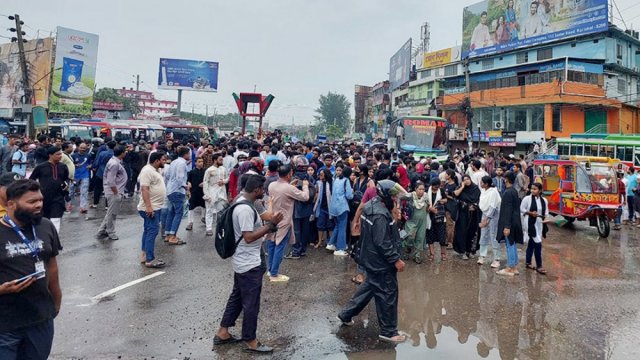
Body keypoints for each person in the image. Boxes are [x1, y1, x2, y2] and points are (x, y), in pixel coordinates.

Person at [215, 175, 284, 354]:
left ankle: (223, 332)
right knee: (251, 303)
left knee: (237, 297)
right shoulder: (245, 209)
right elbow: (248, 237)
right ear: (257, 190)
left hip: (242, 261)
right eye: (263, 190)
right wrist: (271, 225)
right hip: (248, 263)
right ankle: (250, 340)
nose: (264, 193)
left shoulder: (240, 200)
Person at [337, 180, 406, 344]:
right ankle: (388, 331)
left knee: (370, 287)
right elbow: (382, 242)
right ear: (386, 197)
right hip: (381, 262)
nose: (396, 199)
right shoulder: (380, 214)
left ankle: (346, 314)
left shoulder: (370, 206)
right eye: (394, 197)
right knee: (388, 293)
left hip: (370, 258)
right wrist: (395, 260)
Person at [0, 180, 62, 360]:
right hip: (5, 324)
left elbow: (51, 264)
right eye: (31, 202)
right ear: (11, 204)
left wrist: (56, 298)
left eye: (40, 200)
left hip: (40, 318)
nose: (39, 205)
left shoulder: (45, 226)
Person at [266, 163, 309, 282]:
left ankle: (270, 270)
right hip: (284, 220)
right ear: (289, 174)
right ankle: (274, 274)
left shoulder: (272, 184)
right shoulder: (289, 188)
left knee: (272, 244)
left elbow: (282, 191)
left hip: (273, 218)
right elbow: (305, 197)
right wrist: (305, 186)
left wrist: (290, 186)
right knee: (280, 246)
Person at [138, 151, 167, 268]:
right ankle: (150, 259)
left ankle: (144, 255)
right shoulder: (147, 171)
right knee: (153, 231)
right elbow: (144, 189)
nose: (165, 162)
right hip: (150, 208)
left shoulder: (154, 170)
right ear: (156, 161)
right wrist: (149, 207)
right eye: (163, 160)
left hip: (156, 206)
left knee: (148, 230)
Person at [29, 147, 69, 233]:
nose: (60, 156)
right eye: (58, 154)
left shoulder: (63, 167)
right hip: (43, 197)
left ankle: (55, 239)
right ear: (50, 155)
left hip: (58, 197)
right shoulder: (41, 167)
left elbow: (66, 179)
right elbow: (31, 180)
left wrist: (66, 186)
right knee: (44, 219)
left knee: (56, 219)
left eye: (61, 154)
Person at [96, 145, 128, 241]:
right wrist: (116, 193)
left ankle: (101, 231)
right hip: (114, 192)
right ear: (122, 153)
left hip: (116, 191)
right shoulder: (114, 163)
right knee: (112, 213)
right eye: (125, 151)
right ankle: (111, 232)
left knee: (111, 212)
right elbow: (110, 180)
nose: (126, 153)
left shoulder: (116, 162)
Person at [496, 171, 523, 276]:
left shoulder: (507, 193)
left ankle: (511, 267)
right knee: (512, 243)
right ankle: (514, 266)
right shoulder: (514, 191)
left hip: (509, 223)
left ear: (506, 179)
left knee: (509, 244)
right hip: (515, 221)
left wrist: (507, 226)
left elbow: (508, 210)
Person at [163, 146, 190, 245]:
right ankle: (173, 236)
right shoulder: (182, 163)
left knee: (172, 212)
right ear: (186, 154)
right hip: (177, 190)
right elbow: (180, 178)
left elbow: (167, 175)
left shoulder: (174, 162)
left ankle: (168, 234)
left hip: (170, 189)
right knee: (178, 213)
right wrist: (185, 186)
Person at [521, 182, 549, 275]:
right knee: (538, 243)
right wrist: (530, 213)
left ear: (540, 190)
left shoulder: (544, 200)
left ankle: (528, 262)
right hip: (529, 223)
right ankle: (539, 266)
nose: (532, 190)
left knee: (532, 243)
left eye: (535, 189)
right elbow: (522, 209)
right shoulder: (527, 199)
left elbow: (546, 214)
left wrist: (546, 219)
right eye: (531, 189)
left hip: (539, 223)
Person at [326, 165, 353, 256]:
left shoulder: (336, 180)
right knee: (342, 227)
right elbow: (349, 195)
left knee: (337, 226)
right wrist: (352, 192)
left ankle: (331, 243)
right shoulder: (346, 180)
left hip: (334, 207)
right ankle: (340, 248)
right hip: (342, 206)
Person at [453, 174, 481, 259]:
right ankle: (463, 251)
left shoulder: (475, 188)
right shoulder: (460, 188)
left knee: (472, 232)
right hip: (463, 215)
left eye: (468, 179)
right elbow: (455, 194)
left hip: (473, 215)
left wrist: (474, 206)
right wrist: (462, 187)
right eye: (464, 180)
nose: (467, 181)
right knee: (462, 232)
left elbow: (479, 199)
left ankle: (471, 250)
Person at [401, 181, 428, 263]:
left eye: (423, 189)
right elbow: (399, 197)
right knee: (409, 237)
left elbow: (429, 207)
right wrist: (399, 208)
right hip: (411, 221)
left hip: (422, 221)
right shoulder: (411, 196)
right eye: (420, 189)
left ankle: (417, 256)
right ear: (415, 189)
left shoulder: (426, 197)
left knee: (420, 238)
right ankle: (406, 250)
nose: (422, 191)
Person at [478, 176, 502, 268]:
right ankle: (482, 256)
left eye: (482, 182)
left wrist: (487, 219)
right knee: (484, 234)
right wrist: (485, 218)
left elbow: (492, 206)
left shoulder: (493, 192)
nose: (480, 184)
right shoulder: (483, 191)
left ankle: (497, 259)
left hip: (494, 215)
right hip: (484, 213)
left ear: (486, 184)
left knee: (493, 235)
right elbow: (483, 204)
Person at [203, 153, 228, 236]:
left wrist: (224, 181)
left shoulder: (223, 169)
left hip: (221, 192)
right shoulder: (209, 170)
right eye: (220, 159)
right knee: (209, 210)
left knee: (221, 211)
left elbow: (228, 178)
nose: (222, 161)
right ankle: (209, 228)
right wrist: (206, 194)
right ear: (215, 160)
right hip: (211, 192)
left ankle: (220, 228)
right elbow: (205, 182)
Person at [426, 178, 448, 262]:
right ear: (431, 185)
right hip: (429, 216)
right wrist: (430, 208)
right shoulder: (426, 191)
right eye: (435, 186)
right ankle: (432, 254)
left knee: (442, 236)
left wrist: (442, 201)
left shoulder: (441, 191)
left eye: (438, 186)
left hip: (439, 217)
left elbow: (446, 199)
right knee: (430, 236)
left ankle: (443, 254)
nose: (436, 188)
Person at [313, 168, 333, 249]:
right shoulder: (318, 183)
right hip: (321, 207)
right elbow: (316, 193)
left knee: (330, 226)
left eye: (321, 174)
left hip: (330, 208)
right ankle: (320, 241)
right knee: (320, 225)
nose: (320, 175)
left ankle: (331, 242)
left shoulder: (331, 183)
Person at [186, 157, 206, 231]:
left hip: (203, 192)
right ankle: (190, 223)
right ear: (196, 163)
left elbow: (208, 180)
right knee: (191, 208)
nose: (201, 163)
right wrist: (189, 185)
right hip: (193, 191)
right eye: (199, 161)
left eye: (202, 161)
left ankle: (203, 217)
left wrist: (204, 183)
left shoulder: (205, 171)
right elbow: (188, 181)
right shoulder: (191, 172)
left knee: (204, 206)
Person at [71, 143, 92, 214]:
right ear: (78, 147)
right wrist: (74, 165)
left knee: (84, 191)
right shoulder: (73, 155)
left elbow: (90, 163)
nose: (83, 149)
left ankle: (83, 207)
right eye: (81, 148)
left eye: (84, 148)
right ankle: (69, 204)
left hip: (85, 175)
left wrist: (90, 166)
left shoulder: (88, 155)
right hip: (75, 176)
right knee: (71, 191)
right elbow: (70, 164)